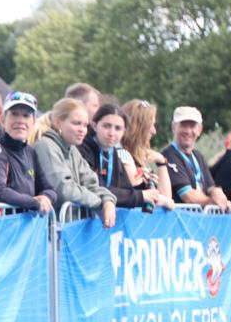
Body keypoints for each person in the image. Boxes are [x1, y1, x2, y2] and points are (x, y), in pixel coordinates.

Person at [34, 97, 117, 228]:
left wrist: (108, 200)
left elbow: (91, 183)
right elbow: (64, 189)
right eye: (76, 123)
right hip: (51, 229)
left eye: (85, 125)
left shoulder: (72, 149)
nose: (82, 129)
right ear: (58, 123)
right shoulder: (45, 146)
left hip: (70, 229)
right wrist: (99, 203)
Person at [0, 91, 56, 213]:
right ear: (3, 119)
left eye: (26, 115)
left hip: (25, 225)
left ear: (33, 122)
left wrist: (45, 197)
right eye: (14, 114)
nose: (20, 120)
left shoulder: (30, 152)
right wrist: (34, 203)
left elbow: (50, 189)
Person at [82, 103, 172, 208]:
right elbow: (95, 188)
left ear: (124, 130)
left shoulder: (112, 152)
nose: (111, 133)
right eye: (107, 126)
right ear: (94, 125)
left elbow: (127, 191)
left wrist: (162, 163)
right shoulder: (85, 149)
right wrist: (143, 195)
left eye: (118, 128)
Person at [160, 106, 230, 209]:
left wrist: (220, 196)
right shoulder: (168, 155)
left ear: (199, 130)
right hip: (180, 217)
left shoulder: (198, 156)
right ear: (174, 127)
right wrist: (213, 203)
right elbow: (188, 196)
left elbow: (211, 187)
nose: (188, 131)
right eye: (183, 125)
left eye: (192, 126)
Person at [121, 99, 174, 202]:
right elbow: (143, 196)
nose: (154, 131)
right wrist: (166, 201)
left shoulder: (140, 157)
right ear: (138, 127)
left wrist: (162, 163)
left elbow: (166, 196)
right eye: (150, 125)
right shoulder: (122, 155)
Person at [65, 82, 102, 167]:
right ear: (80, 105)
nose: (99, 110)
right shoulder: (74, 141)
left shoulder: (94, 137)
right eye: (95, 105)